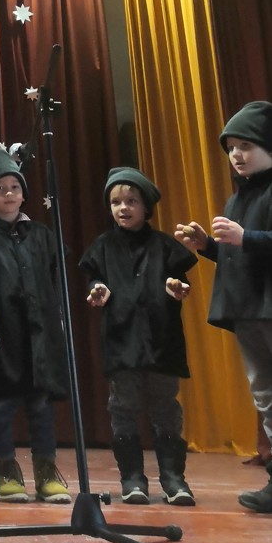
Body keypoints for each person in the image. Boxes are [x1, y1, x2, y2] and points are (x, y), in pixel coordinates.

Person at [177, 101, 272, 513]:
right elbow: (242, 257)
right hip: (249, 309)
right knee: (266, 394)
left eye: (246, 145)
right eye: (231, 147)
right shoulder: (237, 200)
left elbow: (256, 244)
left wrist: (245, 237)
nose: (236, 154)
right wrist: (208, 247)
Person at [82, 167, 197, 505]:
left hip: (162, 343)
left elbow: (179, 280)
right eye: (116, 202)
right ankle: (132, 479)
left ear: (146, 207)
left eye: (131, 201)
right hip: (122, 342)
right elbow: (94, 279)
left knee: (166, 409)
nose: (123, 208)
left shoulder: (165, 245)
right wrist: (98, 289)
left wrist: (177, 287)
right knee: (123, 408)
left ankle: (174, 480)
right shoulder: (102, 247)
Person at [0, 147, 70, 503]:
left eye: (14, 187)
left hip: (40, 335)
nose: (8, 193)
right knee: (2, 405)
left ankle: (46, 472)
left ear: (24, 193)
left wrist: (57, 320)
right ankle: (6, 471)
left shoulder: (42, 235)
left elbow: (56, 280)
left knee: (41, 405)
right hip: (1, 335)